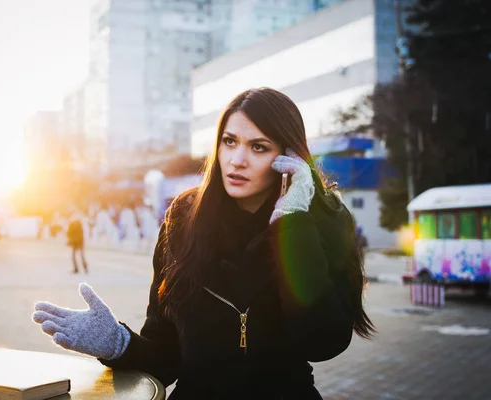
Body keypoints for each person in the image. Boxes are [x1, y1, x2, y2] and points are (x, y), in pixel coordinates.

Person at [32, 88, 375, 399]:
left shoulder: (323, 221)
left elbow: (323, 342)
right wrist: (117, 344)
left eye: (258, 147)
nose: (237, 159)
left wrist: (293, 221)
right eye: (229, 141)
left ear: (288, 157)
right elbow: (167, 357)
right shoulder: (184, 218)